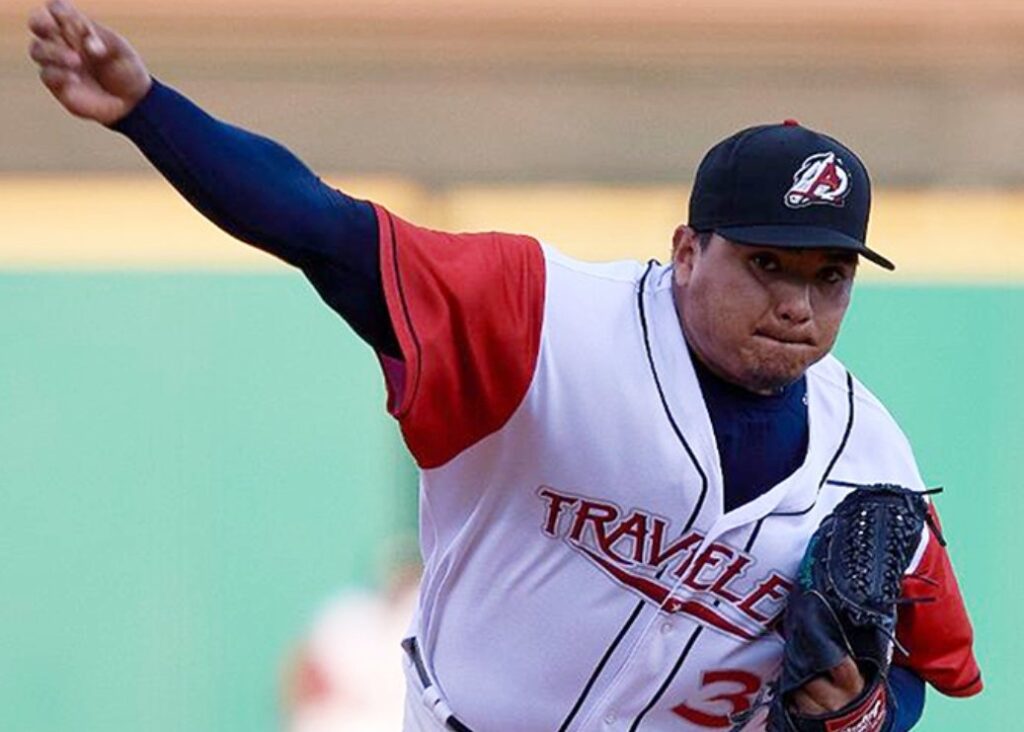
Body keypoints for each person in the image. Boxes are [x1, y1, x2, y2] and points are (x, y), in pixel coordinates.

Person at [28, 2, 982, 730]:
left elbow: (918, 666)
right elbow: (323, 228)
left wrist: (863, 708)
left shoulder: (876, 461)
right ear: (688, 250)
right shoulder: (543, 320)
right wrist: (149, 113)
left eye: (829, 275)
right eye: (766, 262)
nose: (796, 302)